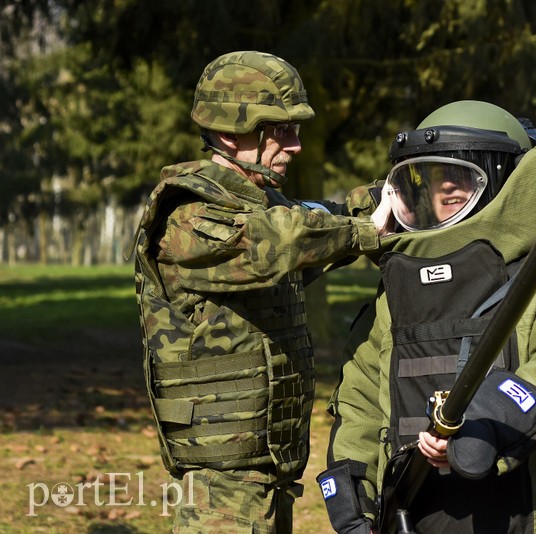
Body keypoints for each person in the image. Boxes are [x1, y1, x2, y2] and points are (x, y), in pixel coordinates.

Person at [317, 100, 536, 533]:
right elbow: (360, 397)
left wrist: (488, 425)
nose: (447, 189)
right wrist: (350, 491)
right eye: (432, 178)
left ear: (502, 181)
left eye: (461, 175)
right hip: (413, 513)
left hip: (522, 512)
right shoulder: (396, 289)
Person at [133, 50, 392, 533]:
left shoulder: (265, 204)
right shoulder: (188, 215)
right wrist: (365, 231)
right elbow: (279, 242)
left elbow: (320, 220)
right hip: (222, 485)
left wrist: (392, 193)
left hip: (268, 473)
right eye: (282, 131)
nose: (294, 146)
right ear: (233, 132)